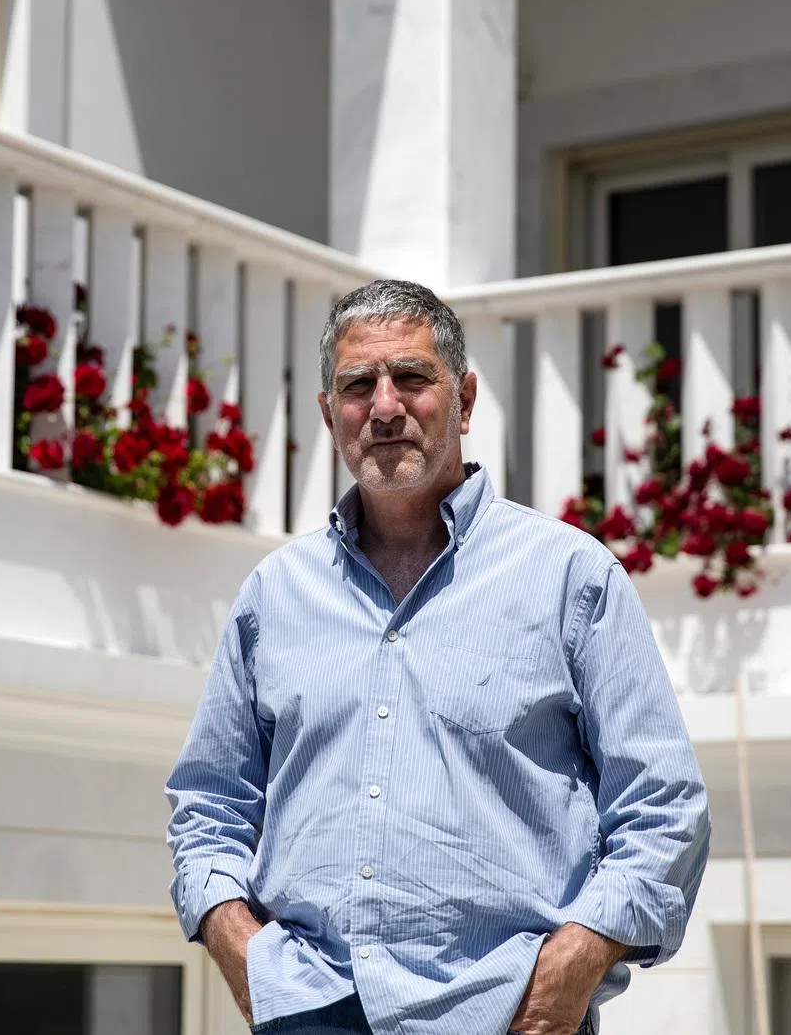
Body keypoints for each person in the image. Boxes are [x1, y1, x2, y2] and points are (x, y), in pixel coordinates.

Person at [166, 279, 710, 1035]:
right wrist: (243, 955)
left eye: (412, 378)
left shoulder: (570, 577)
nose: (385, 407)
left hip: (508, 1012)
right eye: (358, 385)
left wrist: (576, 962)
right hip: (307, 1008)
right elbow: (208, 806)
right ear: (329, 413)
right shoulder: (275, 594)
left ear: (465, 399)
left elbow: (663, 807)